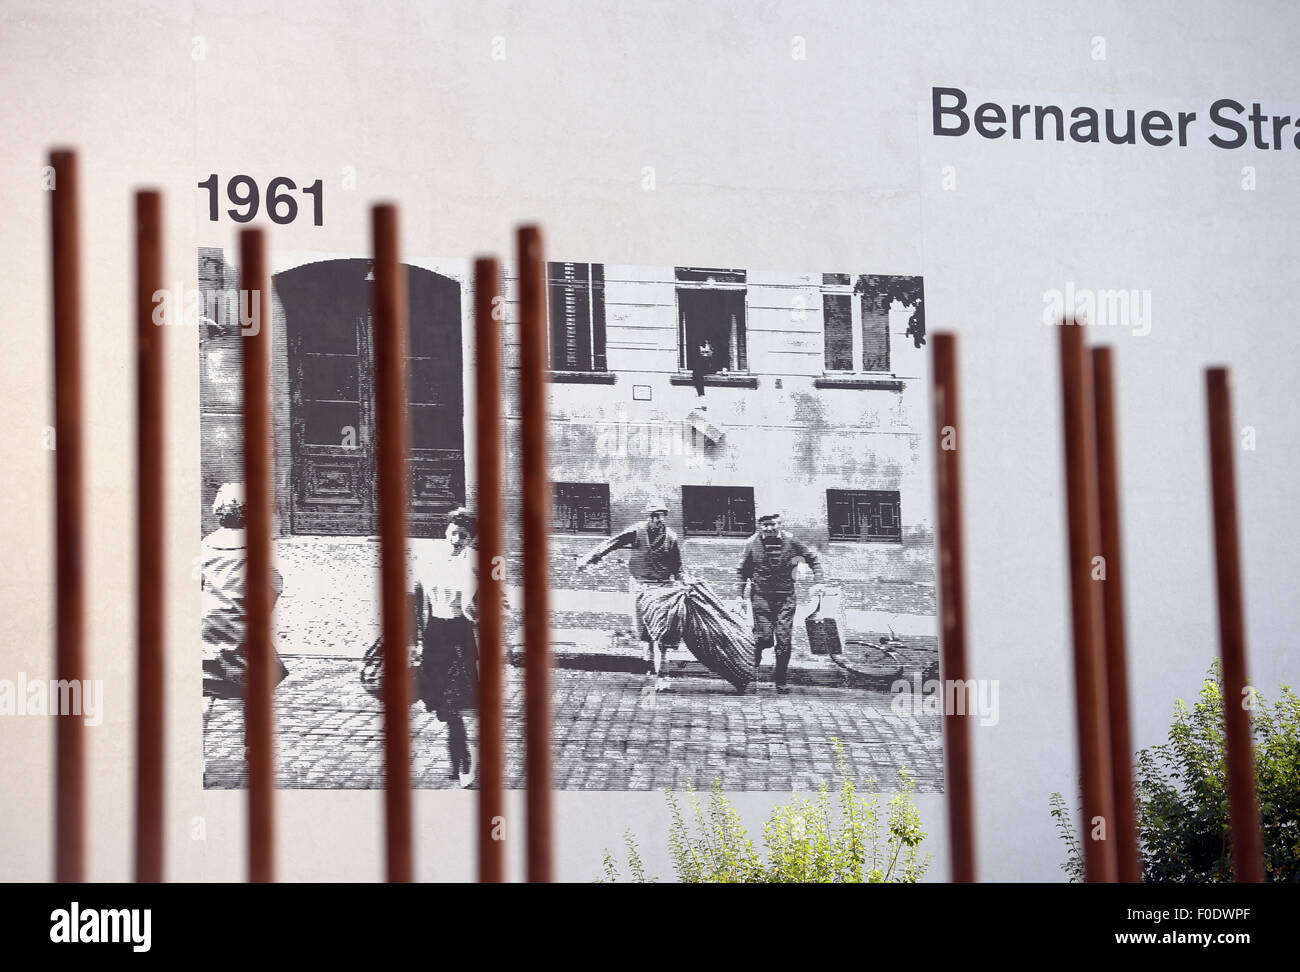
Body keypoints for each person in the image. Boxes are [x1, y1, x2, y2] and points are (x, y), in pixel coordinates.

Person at [576, 499, 684, 692]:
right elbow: (613, 543)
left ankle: (663, 674)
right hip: (640, 586)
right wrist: (590, 558)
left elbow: (677, 566)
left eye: (660, 516)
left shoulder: (671, 538)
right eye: (653, 516)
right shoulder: (637, 532)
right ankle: (651, 663)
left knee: (662, 630)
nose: (657, 520)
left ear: (664, 517)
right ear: (648, 517)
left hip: (661, 587)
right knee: (644, 631)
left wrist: (682, 581)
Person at [409, 507, 479, 788]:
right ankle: (458, 757)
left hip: (460, 635)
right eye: (453, 533)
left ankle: (462, 760)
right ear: (445, 532)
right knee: (443, 704)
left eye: (464, 535)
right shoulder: (430, 560)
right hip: (434, 634)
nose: (457, 539)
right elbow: (415, 599)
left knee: (454, 705)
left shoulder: (474, 563)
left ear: (471, 538)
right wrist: (412, 641)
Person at [200, 482, 289, 703]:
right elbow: (274, 584)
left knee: (208, 678)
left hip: (207, 626)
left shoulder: (207, 543)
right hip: (240, 626)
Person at [737, 512, 826, 694]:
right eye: (764, 525)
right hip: (761, 597)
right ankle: (747, 675)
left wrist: (819, 582)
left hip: (786, 597)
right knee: (763, 638)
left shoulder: (792, 541)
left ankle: (780, 680)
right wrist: (739, 595)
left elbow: (813, 560)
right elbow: (742, 571)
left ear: (779, 524)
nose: (769, 528)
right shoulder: (751, 543)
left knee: (784, 640)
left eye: (772, 524)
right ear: (759, 526)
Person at [691, 338, 715, 403]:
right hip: (701, 365)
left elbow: (711, 354)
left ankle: (700, 393)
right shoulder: (699, 347)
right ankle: (700, 393)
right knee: (698, 373)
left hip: (709, 363)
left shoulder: (709, 346)